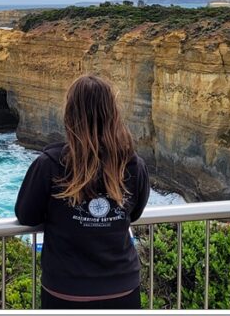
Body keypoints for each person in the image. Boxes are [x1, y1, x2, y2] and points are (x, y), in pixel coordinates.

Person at [15, 74, 150, 310]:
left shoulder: (50, 163)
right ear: (113, 114)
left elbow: (27, 215)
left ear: (70, 115)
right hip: (122, 288)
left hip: (66, 290)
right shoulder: (132, 164)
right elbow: (135, 213)